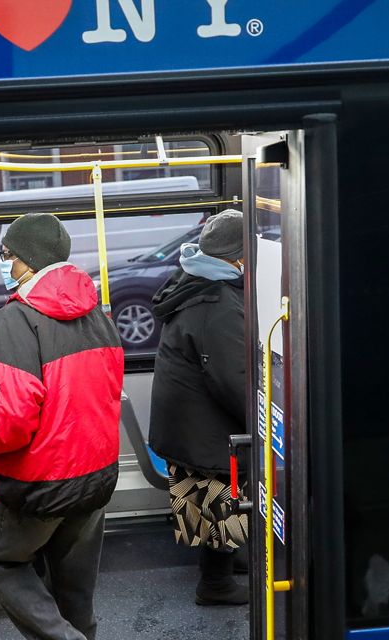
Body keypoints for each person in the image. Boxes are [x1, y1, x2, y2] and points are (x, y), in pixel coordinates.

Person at [0, 212, 124, 640]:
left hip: (40, 483)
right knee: (74, 591)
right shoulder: (98, 316)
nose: (3, 261)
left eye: (6, 253)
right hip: (96, 476)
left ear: (28, 261)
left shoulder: (16, 323)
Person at [147, 209, 250, 606]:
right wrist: (264, 422)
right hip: (198, 422)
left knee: (209, 497)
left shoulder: (193, 278)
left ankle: (227, 558)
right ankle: (216, 584)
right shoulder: (219, 302)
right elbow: (233, 378)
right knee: (219, 491)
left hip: (184, 415)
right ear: (238, 257)